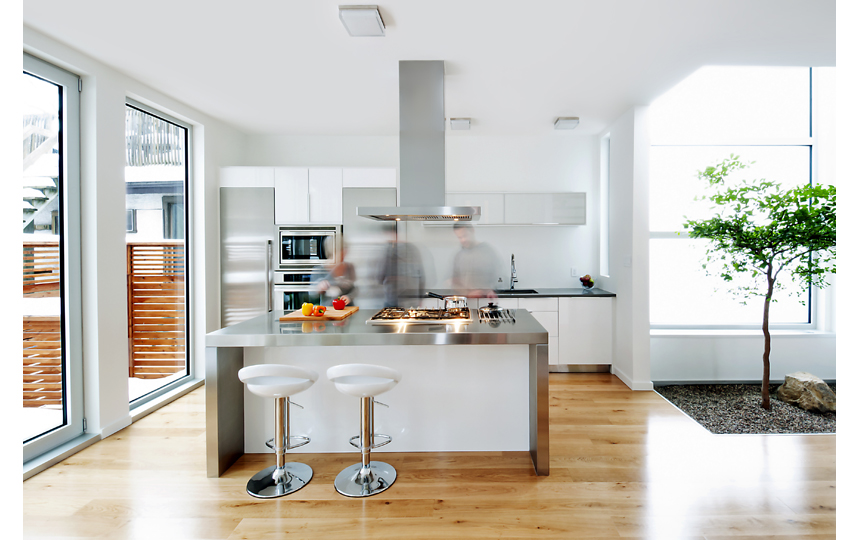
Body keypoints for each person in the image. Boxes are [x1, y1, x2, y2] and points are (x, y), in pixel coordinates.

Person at [451, 223, 500, 298]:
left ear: (472, 231)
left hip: (485, 301)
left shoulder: (487, 251)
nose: (463, 240)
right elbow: (454, 281)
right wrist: (467, 292)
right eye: (459, 237)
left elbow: (499, 277)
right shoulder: (459, 255)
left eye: (465, 235)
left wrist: (491, 290)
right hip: (466, 302)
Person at [377, 233, 425, 308]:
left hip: (394, 300)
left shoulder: (388, 251)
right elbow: (421, 277)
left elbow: (380, 277)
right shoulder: (413, 249)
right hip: (409, 300)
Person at [314, 238, 356, 305]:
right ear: (332, 252)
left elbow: (355, 289)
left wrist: (349, 297)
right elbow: (312, 294)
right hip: (328, 309)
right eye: (341, 254)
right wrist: (319, 288)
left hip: (348, 309)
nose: (343, 257)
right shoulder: (320, 269)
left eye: (344, 253)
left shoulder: (349, 267)